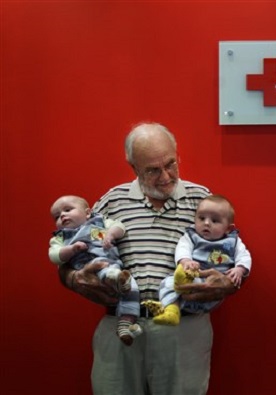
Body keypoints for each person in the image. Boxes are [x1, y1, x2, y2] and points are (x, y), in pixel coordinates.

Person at [57, 122, 242, 395]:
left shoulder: (202, 200)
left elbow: (234, 252)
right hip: (120, 327)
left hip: (184, 330)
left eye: (171, 164)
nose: (166, 176)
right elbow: (69, 261)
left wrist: (228, 283)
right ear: (133, 166)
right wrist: (74, 278)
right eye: (153, 170)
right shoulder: (112, 201)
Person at [144, 194, 252, 325]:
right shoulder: (192, 236)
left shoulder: (232, 241)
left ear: (228, 228)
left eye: (215, 221)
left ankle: (171, 309)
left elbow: (244, 255)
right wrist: (185, 261)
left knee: (177, 285)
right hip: (192, 278)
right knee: (169, 283)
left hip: (213, 289)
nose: (206, 223)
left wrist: (240, 269)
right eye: (201, 218)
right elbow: (183, 248)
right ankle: (172, 310)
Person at [49, 195, 142, 345]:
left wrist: (111, 234)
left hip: (112, 264)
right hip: (90, 269)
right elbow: (54, 256)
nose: (62, 215)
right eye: (57, 217)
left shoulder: (100, 221)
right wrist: (71, 249)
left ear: (88, 213)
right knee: (105, 271)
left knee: (132, 288)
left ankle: (127, 321)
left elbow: (119, 226)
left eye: (68, 210)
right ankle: (117, 280)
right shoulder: (60, 238)